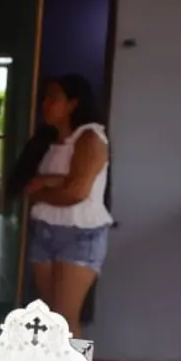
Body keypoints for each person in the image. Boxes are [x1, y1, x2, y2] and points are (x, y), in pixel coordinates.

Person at [14, 74, 112, 337]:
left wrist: (45, 185)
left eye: (54, 97)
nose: (46, 103)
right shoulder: (48, 140)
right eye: (45, 97)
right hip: (45, 231)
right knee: (49, 317)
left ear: (72, 104)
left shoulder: (90, 136)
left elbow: (76, 193)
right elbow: (28, 185)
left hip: (80, 234)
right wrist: (56, 182)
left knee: (66, 318)